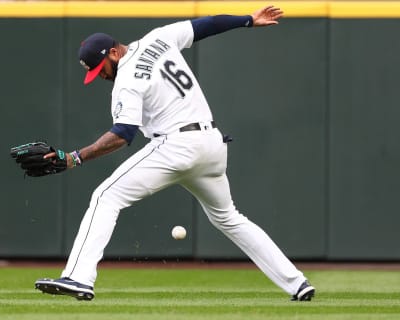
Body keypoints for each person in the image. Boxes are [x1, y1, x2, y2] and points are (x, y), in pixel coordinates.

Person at [34, 5, 315, 302]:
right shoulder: (159, 38)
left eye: (98, 69)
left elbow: (122, 135)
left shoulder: (127, 81)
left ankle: (79, 278)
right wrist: (247, 20)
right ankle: (297, 282)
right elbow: (207, 24)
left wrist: (75, 157)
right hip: (211, 145)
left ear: (113, 53)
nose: (100, 76)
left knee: (106, 197)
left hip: (176, 146)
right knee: (229, 218)